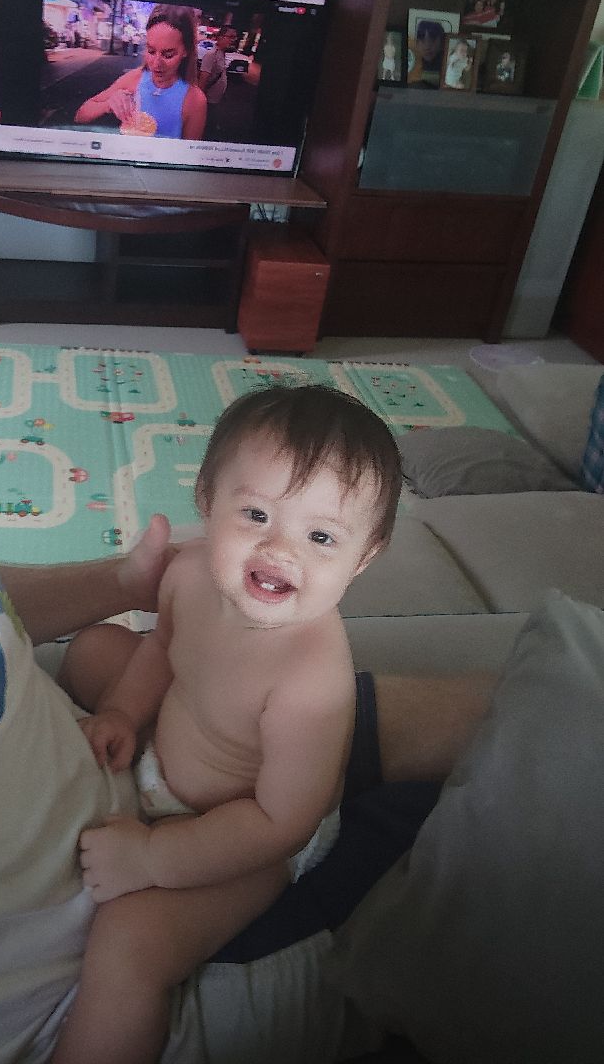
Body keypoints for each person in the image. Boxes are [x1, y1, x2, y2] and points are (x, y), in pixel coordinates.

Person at [0, 78, 498, 1064]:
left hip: (144, 783)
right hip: (113, 985)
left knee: (466, 703)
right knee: (530, 815)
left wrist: (128, 582)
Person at [51, 386, 403, 1063]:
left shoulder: (311, 680)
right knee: (95, 647)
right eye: (257, 513)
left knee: (129, 944)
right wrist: (124, 712)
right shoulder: (188, 573)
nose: (280, 549)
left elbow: (280, 822)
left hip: (243, 832)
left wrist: (154, 859)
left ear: (362, 557)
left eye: (321, 537)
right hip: (169, 740)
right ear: (208, 502)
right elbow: (162, 647)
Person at [74, 4, 207, 139]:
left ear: (186, 51)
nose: (156, 64)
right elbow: (80, 115)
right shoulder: (135, 78)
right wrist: (107, 105)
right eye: (151, 51)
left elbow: (187, 151)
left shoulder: (195, 100)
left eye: (168, 55)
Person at [197, 24, 240, 139]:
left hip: (215, 101)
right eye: (231, 37)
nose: (234, 40)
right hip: (208, 102)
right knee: (207, 130)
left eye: (235, 37)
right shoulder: (211, 55)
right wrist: (200, 105)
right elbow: (203, 80)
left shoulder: (221, 53)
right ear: (220, 37)